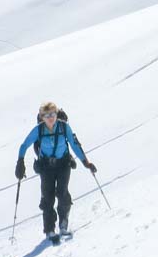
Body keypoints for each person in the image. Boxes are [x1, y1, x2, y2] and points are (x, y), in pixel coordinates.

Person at [15, 102, 97, 243]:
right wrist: (20, 161)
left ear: (56, 114)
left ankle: (63, 224)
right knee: (48, 198)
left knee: (62, 193)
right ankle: (50, 230)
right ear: (42, 117)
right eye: (47, 115)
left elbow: (74, 144)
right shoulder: (39, 130)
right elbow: (24, 145)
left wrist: (86, 162)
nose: (51, 117)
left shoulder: (64, 127)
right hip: (46, 167)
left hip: (63, 165)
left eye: (53, 114)